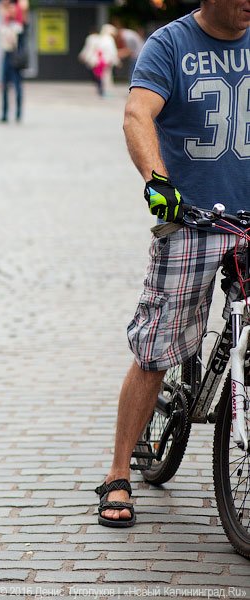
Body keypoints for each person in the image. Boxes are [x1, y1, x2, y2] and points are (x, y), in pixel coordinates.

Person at [98, 0, 250, 529]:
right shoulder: (170, 44)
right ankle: (119, 473)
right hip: (193, 217)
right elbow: (138, 114)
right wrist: (156, 182)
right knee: (157, 348)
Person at [0, 0, 26, 122]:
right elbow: (1, 6)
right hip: (7, 55)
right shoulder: (6, 23)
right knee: (4, 86)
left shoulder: (19, 25)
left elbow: (24, 5)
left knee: (17, 86)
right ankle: (4, 114)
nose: (10, 11)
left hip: (16, 57)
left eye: (13, 9)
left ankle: (18, 114)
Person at [79, 24, 119, 97]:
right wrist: (116, 61)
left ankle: (101, 90)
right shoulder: (109, 39)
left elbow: (92, 49)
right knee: (106, 77)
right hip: (106, 61)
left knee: (100, 76)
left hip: (99, 61)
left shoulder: (99, 38)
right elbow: (112, 52)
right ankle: (104, 91)